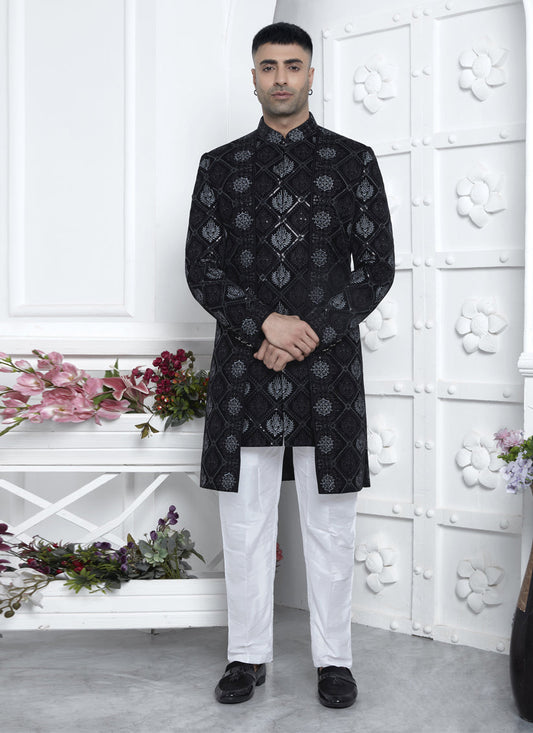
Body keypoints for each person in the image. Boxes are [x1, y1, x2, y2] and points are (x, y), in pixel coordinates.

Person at [185, 21, 394, 708]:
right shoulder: (219, 166)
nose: (280, 77)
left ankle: (334, 661)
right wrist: (264, 325)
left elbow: (376, 269)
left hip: (326, 369)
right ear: (252, 76)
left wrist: (307, 331)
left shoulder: (353, 162)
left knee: (330, 522)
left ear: (310, 73)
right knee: (244, 521)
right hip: (246, 369)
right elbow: (203, 269)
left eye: (293, 65)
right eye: (268, 66)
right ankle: (246, 656)